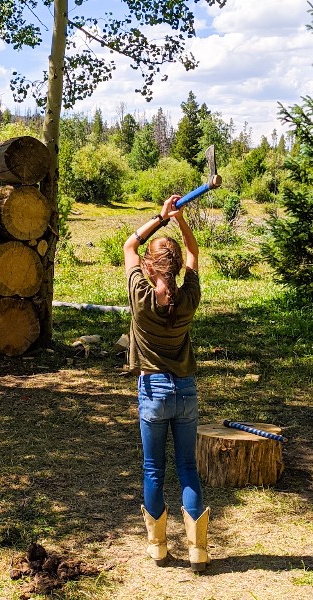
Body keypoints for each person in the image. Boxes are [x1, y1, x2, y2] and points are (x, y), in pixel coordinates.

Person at [122, 194, 210, 572]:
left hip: (153, 392)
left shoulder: (141, 297)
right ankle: (198, 552)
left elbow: (129, 243)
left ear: (147, 265)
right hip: (186, 391)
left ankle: (158, 548)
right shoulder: (189, 297)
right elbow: (193, 252)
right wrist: (182, 220)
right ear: (175, 266)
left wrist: (160, 218)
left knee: (154, 469)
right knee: (187, 468)